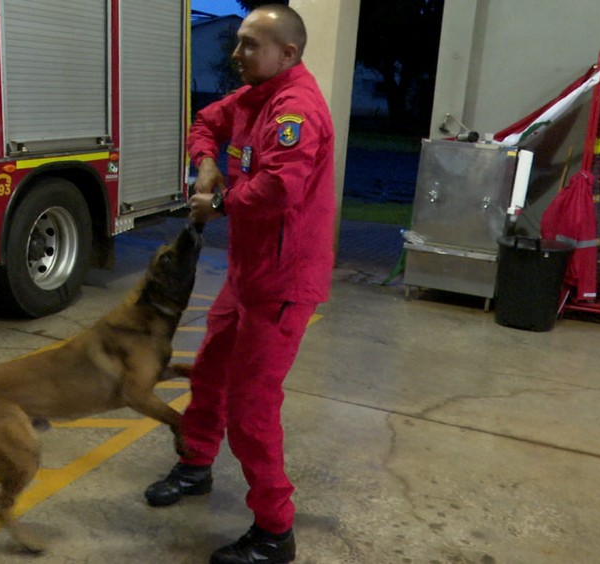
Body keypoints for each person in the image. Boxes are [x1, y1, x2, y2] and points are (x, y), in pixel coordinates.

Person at [144, 5, 335, 564]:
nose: (236, 53)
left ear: (288, 53)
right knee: (209, 373)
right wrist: (206, 165)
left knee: (252, 410)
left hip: (283, 283)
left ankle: (275, 532)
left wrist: (219, 202)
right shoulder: (252, 98)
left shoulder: (295, 109)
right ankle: (197, 463)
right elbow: (204, 124)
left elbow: (280, 188)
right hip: (247, 275)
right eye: (239, 41)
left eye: (251, 44)